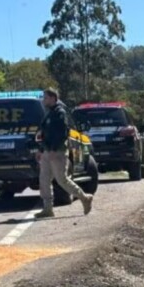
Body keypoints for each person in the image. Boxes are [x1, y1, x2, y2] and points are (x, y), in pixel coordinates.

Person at [35, 88, 93, 219]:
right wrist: (41, 150)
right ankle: (47, 208)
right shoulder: (48, 113)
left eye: (46, 97)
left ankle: (85, 198)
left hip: (57, 152)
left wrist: (54, 149)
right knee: (44, 180)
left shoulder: (60, 113)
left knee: (62, 180)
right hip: (47, 152)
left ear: (53, 98)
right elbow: (44, 134)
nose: (44, 100)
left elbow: (62, 134)